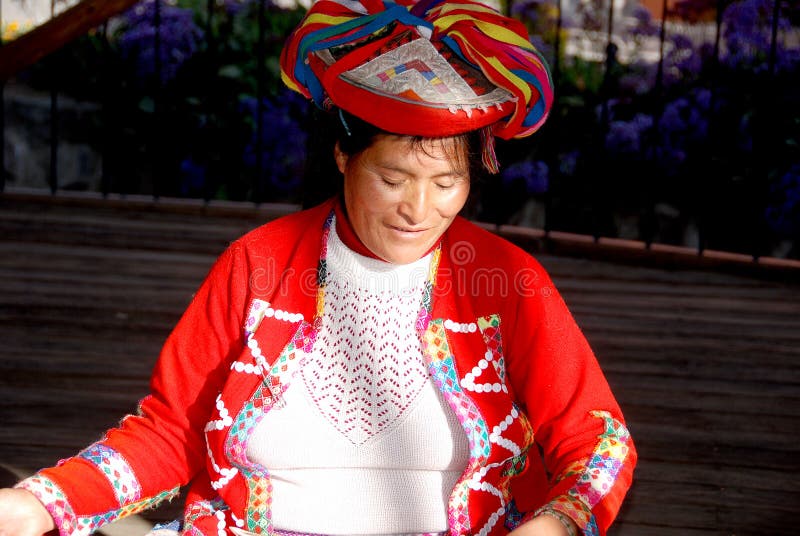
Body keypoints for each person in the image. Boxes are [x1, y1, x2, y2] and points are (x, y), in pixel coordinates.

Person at [0, 0, 636, 535]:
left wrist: (559, 522)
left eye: (447, 182)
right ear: (342, 156)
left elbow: (600, 443)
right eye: (393, 178)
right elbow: (172, 430)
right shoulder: (259, 263)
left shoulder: (507, 280)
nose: (419, 209)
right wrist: (39, 502)